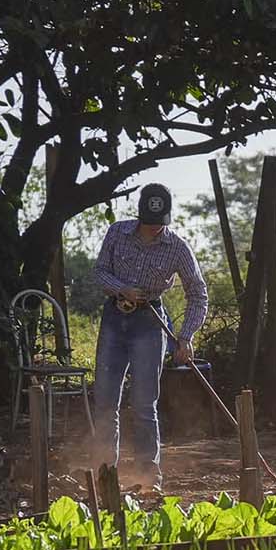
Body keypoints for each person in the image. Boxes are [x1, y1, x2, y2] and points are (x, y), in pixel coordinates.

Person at [88, 182, 209, 488]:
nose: (153, 230)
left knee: (144, 403)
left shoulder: (178, 248)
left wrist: (185, 336)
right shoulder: (117, 232)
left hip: (150, 323)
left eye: (159, 225)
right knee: (105, 399)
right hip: (115, 318)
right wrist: (121, 289)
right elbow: (100, 272)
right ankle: (105, 473)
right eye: (149, 223)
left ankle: (148, 476)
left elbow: (198, 293)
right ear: (139, 215)